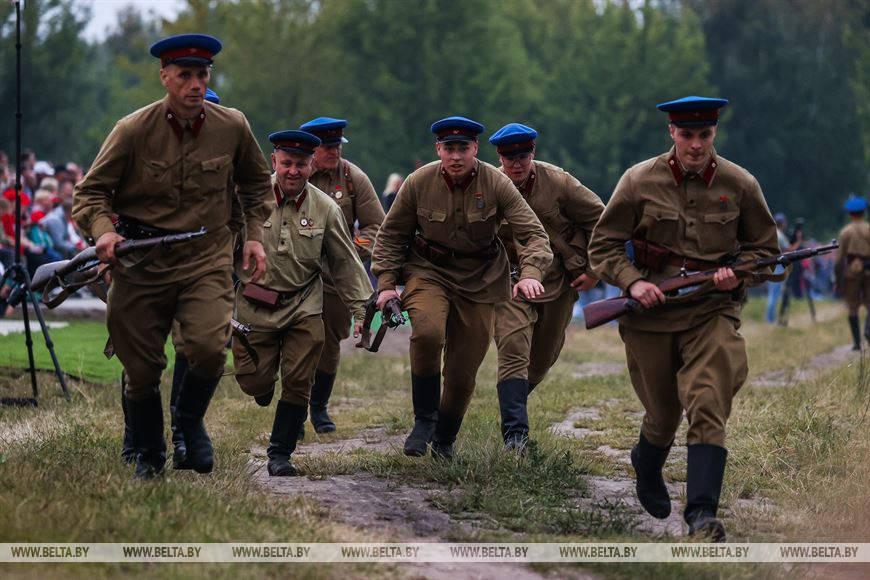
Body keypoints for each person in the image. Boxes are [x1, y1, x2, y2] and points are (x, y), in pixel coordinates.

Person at [72, 34, 274, 479]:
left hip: (205, 259)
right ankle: (147, 451)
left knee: (206, 347)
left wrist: (255, 237)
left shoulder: (232, 126)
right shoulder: (133, 131)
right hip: (141, 264)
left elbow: (258, 186)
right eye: (185, 75)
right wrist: (104, 233)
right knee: (141, 369)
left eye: (202, 75)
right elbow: (89, 195)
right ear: (165, 77)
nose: (195, 84)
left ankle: (188, 424)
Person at [588, 96, 779, 541]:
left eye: (705, 135)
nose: (696, 145)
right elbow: (603, 246)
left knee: (708, 400)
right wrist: (633, 282)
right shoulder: (638, 181)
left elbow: (767, 253)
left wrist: (738, 276)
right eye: (687, 135)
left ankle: (701, 515)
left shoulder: (741, 183)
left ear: (715, 134)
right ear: (671, 133)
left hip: (711, 310)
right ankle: (647, 461)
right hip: (649, 316)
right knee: (662, 412)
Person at [372, 116, 552, 460]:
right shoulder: (418, 182)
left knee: (462, 372)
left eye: (463, 148)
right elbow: (391, 235)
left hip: (481, 280)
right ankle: (424, 418)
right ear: (438, 149)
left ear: (475, 149)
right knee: (426, 331)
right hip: (429, 270)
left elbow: (533, 234)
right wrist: (385, 285)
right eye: (449, 148)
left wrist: (530, 273)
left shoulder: (497, 183)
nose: (456, 156)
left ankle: (444, 439)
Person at [231, 130, 372, 476]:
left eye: (301, 164)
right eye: (287, 163)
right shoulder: (246, 200)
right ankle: (262, 386)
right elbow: (221, 253)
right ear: (274, 161)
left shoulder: (326, 208)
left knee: (298, 378)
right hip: (253, 308)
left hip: (304, 305)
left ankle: (280, 454)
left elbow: (344, 262)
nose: (293, 171)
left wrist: (362, 312)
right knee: (253, 381)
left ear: (311, 165)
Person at [487, 123, 604, 451]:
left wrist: (594, 270)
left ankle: (514, 402)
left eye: (523, 156)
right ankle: (516, 436)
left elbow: (601, 219)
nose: (517, 165)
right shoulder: (489, 185)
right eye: (509, 158)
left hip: (557, 281)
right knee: (513, 346)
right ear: (499, 157)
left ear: (533, 153)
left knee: (541, 359)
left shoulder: (560, 182)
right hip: (510, 281)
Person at [298, 117, 385, 434]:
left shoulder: (352, 178)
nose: (334, 152)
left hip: (335, 275)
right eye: (327, 146)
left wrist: (349, 250)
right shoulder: (294, 172)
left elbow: (377, 226)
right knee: (296, 338)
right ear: (312, 148)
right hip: (296, 272)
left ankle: (318, 407)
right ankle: (293, 408)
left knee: (329, 340)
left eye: (337, 145)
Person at [834, 195, 870, 350]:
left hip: (852, 271)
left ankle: (857, 343)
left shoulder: (845, 232)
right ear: (864, 212)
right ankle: (868, 330)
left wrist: (838, 279)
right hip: (869, 269)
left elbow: (839, 260)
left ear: (850, 214)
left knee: (852, 306)